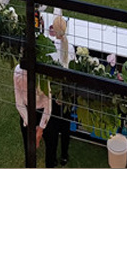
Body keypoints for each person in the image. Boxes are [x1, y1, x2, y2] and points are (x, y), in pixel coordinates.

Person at [14, 60, 57, 168]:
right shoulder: (18, 72)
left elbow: (48, 104)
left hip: (44, 112)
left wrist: (40, 129)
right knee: (29, 150)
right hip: (27, 112)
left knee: (51, 145)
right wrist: (31, 126)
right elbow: (19, 103)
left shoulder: (43, 74)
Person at [49, 15, 75, 166]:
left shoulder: (51, 48)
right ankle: (64, 155)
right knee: (65, 126)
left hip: (54, 93)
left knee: (53, 127)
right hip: (67, 93)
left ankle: (52, 157)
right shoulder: (70, 47)